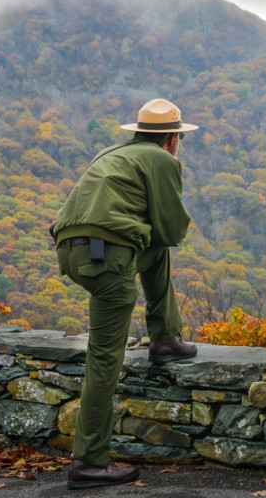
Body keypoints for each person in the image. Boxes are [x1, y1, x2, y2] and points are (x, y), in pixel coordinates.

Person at [52, 98, 199, 489]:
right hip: (107, 255)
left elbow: (155, 243)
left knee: (152, 252)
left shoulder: (113, 153)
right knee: (104, 357)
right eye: (178, 137)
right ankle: (89, 462)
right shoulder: (163, 160)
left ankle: (165, 336)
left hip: (71, 249)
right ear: (171, 138)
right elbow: (171, 230)